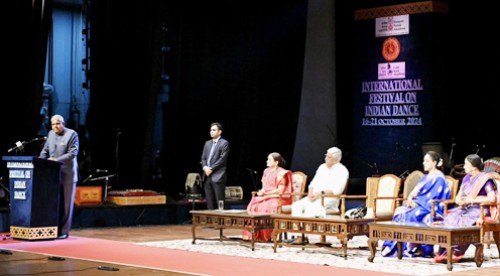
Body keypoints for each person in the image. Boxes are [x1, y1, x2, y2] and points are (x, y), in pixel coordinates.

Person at [381, 151, 451, 258]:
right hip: (420, 204)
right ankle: (397, 246)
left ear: (435, 163)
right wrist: (410, 199)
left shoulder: (439, 178)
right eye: (424, 161)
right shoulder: (425, 177)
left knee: (414, 214)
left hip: (431, 208)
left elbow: (436, 198)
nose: (424, 163)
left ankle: (414, 248)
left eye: (427, 161)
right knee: (399, 211)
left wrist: (418, 202)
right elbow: (414, 192)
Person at [434, 154, 498, 263]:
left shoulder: (485, 179)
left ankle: (455, 253)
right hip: (465, 208)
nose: (464, 167)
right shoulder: (466, 178)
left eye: (466, 164)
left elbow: (492, 198)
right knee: (450, 218)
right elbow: (459, 195)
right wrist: (459, 200)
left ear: (474, 167)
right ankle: (444, 252)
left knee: (463, 221)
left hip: (479, 209)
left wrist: (473, 200)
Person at [289, 147, 349, 244]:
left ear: (335, 159)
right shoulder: (322, 167)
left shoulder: (342, 170)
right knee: (296, 205)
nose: (326, 158)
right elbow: (313, 184)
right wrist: (310, 193)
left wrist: (320, 193)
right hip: (314, 196)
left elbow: (337, 191)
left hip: (329, 198)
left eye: (328, 157)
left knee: (310, 207)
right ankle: (298, 235)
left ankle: (304, 235)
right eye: (326, 156)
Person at [39, 114, 79, 239]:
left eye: (58, 124)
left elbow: (73, 153)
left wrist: (56, 160)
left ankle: (64, 231)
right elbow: (45, 150)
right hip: (53, 175)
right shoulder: (51, 134)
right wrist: (40, 161)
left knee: (66, 204)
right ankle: (53, 229)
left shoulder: (72, 134)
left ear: (63, 123)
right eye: (53, 124)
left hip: (67, 174)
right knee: (55, 203)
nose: (55, 126)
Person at [243, 152, 292, 242]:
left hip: (278, 197)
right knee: (254, 203)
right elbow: (264, 186)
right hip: (266, 196)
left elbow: (280, 190)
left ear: (276, 162)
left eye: (269, 160)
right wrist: (262, 191)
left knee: (268, 205)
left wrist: (267, 193)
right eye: (267, 159)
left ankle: (267, 236)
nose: (267, 161)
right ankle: (254, 234)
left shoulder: (282, 173)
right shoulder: (266, 171)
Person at [200, 122, 230, 210]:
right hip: (207, 175)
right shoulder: (207, 143)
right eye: (211, 130)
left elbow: (222, 160)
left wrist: (211, 169)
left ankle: (221, 221)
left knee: (219, 201)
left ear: (219, 132)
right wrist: (205, 167)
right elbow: (203, 158)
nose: (211, 132)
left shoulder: (224, 143)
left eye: (214, 130)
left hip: (218, 176)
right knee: (209, 201)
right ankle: (211, 223)